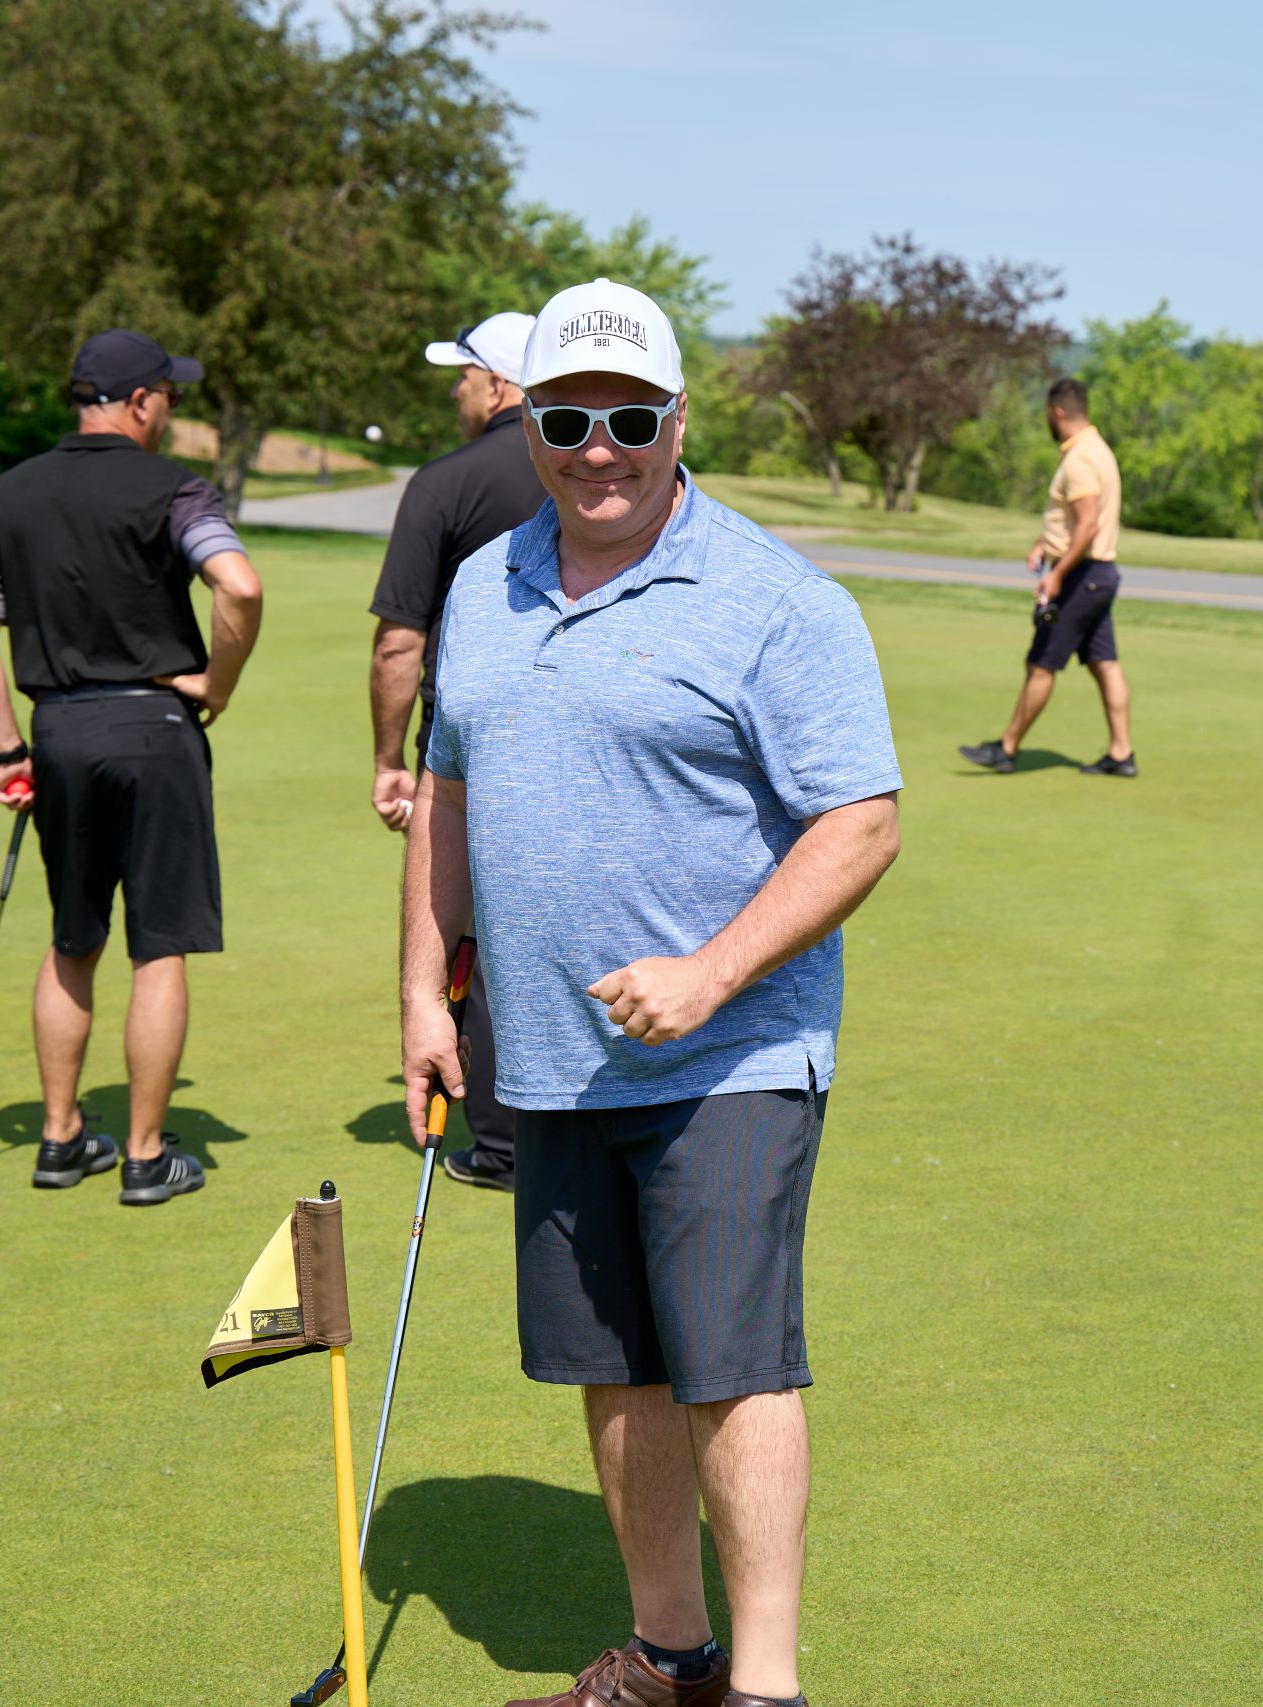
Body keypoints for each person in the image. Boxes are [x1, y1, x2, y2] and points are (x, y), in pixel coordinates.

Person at [399, 278, 901, 1707]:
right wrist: (427, 993)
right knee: (611, 1364)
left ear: (680, 419)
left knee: (731, 1365)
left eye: (629, 419)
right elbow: (446, 798)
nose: (599, 449)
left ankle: (767, 1687)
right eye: (568, 419)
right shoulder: (484, 583)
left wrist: (711, 971)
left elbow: (862, 822)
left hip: (732, 1053)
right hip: (549, 1053)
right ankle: (670, 1655)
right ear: (530, 423)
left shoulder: (777, 600)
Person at [0, 330, 264, 1203]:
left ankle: (59, 1140)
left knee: (73, 939)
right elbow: (239, 585)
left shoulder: (7, 494)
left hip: (58, 730)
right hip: (157, 728)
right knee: (157, 947)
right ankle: (144, 1156)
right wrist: (217, 683)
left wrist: (7, 748)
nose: (170, 412)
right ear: (139, 401)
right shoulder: (175, 488)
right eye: (169, 397)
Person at [367, 311, 544, 1193]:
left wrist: (388, 758)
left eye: (466, 374)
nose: (456, 389)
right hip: (578, 727)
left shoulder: (443, 481)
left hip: (468, 740)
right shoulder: (597, 469)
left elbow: (399, 642)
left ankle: (503, 1140)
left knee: (474, 927)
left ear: (501, 384)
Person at [956, 377, 1135, 776]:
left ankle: (1007, 748)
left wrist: (1057, 574)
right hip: (1100, 573)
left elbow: (1087, 524)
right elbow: (1078, 521)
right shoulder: (1098, 449)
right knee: (1104, 663)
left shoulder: (1080, 459)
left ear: (1057, 412)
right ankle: (1122, 754)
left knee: (1041, 663)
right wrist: (1046, 542)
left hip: (1081, 576)